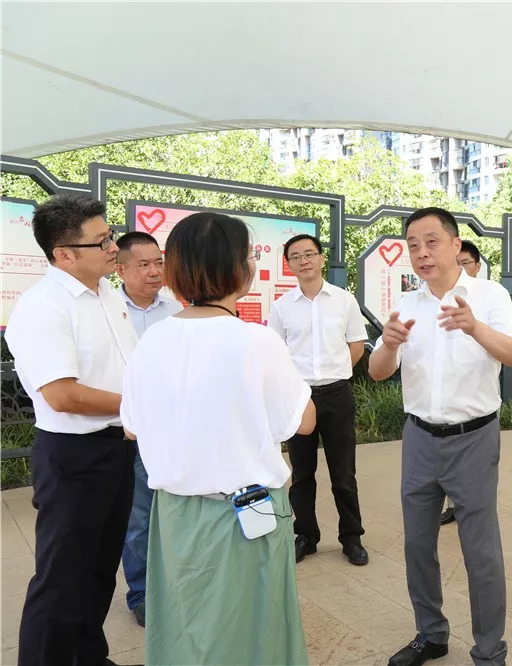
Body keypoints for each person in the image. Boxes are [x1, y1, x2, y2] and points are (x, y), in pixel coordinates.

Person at [119, 212, 316, 665]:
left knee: (185, 629)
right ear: (241, 271)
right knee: (252, 633)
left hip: (174, 514)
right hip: (246, 513)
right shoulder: (257, 340)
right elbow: (302, 422)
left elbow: (132, 425)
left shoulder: (150, 341)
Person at [369, 207, 512, 666]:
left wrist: (475, 326)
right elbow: (378, 373)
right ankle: (432, 633)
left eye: (431, 241)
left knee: (481, 552)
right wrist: (390, 343)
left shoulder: (490, 295)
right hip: (419, 437)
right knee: (417, 544)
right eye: (413, 245)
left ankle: (489, 651)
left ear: (457, 245)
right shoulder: (408, 304)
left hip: (474, 439)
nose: (421, 253)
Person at [6, 194, 138, 666]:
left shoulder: (106, 295)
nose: (113, 247)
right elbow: (63, 394)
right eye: (102, 240)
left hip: (117, 448)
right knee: (62, 578)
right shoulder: (43, 306)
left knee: (100, 570)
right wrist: (144, 406)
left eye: (111, 235)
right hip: (74, 457)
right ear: (64, 254)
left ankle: (87, 656)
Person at [269, 233, 370, 565]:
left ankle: (351, 537)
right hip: (299, 398)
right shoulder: (282, 307)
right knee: (301, 473)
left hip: (337, 394)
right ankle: (306, 535)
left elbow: (356, 345)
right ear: (289, 265)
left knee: (344, 473)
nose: (303, 260)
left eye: (309, 254)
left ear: (322, 258)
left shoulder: (344, 300)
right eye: (295, 256)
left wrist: (336, 370)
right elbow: (277, 354)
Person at [115, 231, 183, 627]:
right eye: (144, 264)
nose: (155, 271)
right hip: (127, 431)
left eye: (158, 262)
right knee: (138, 517)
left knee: (173, 513)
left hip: (171, 430)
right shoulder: (109, 309)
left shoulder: (175, 311)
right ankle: (140, 592)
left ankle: (173, 586)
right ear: (120, 268)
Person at [440, 239, 484, 526]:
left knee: (473, 471)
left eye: (465, 262)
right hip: (439, 406)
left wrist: (475, 327)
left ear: (477, 266)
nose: (460, 266)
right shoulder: (427, 300)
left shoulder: (491, 298)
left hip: (476, 411)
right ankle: (452, 505)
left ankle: (469, 506)